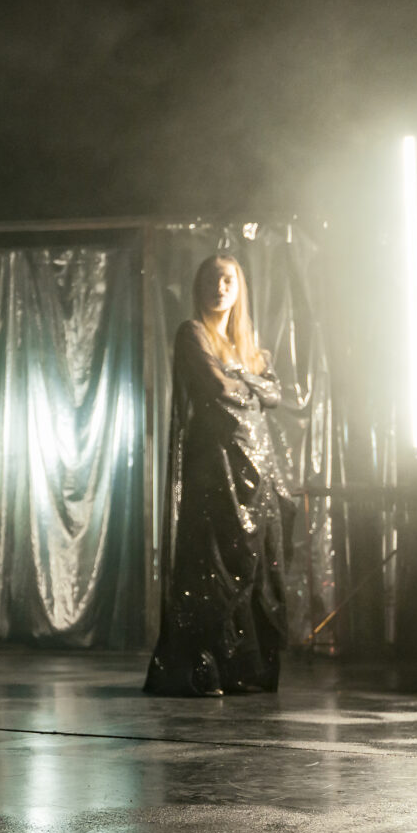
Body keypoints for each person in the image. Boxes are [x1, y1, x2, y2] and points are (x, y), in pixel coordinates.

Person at [145, 255, 290, 697]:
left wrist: (244, 377)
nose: (220, 288)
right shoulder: (192, 334)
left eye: (227, 280)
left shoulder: (251, 349)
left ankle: (241, 669)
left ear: (239, 287)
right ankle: (202, 668)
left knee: (252, 565)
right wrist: (249, 384)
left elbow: (275, 394)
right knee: (210, 565)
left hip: (255, 471)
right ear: (198, 287)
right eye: (211, 280)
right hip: (215, 469)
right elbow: (216, 387)